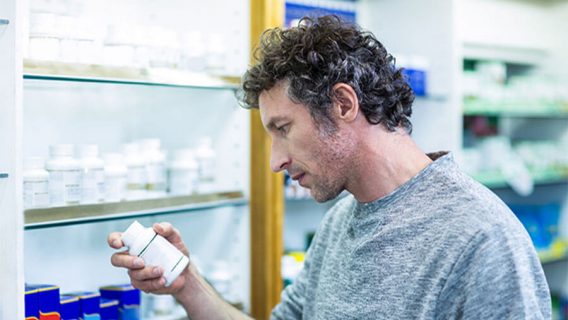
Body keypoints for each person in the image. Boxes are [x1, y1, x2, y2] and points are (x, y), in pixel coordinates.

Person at [108, 15, 551, 319]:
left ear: (342, 104)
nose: (275, 160)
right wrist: (187, 284)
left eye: (283, 128)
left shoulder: (481, 237)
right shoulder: (341, 220)